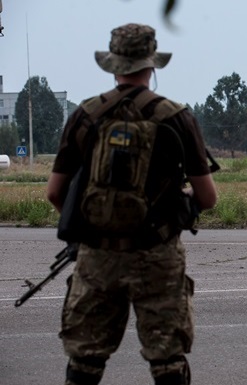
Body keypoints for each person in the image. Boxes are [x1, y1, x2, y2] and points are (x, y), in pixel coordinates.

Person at [46, 23, 217, 385]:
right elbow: (207, 198)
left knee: (85, 361)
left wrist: (93, 230)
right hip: (157, 256)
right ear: (151, 65)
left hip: (97, 259)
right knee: (167, 361)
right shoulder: (176, 116)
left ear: (113, 64)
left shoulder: (86, 115)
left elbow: (55, 193)